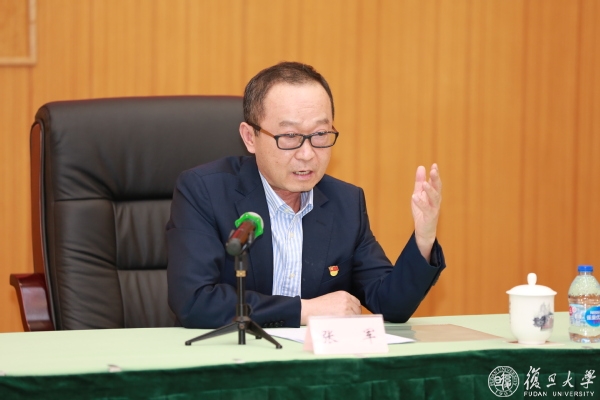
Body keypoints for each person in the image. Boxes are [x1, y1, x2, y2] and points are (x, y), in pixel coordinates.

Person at [167, 61, 445, 329]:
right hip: (233, 354)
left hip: (313, 358)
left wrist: (424, 238)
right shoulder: (204, 191)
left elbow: (390, 304)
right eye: (290, 136)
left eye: (320, 134)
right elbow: (195, 300)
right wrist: (304, 310)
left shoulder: (345, 203)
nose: (307, 154)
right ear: (250, 137)